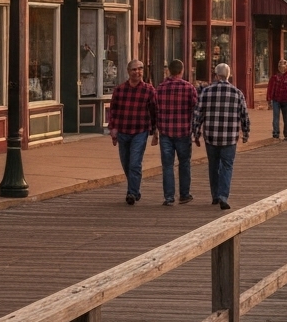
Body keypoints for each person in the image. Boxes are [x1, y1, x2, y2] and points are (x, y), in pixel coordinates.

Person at [193, 63, 250, 210]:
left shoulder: (206, 92)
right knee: (227, 166)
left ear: (216, 75)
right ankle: (224, 195)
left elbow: (198, 114)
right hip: (230, 136)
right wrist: (246, 132)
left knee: (213, 165)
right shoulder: (237, 93)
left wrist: (196, 132)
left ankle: (215, 195)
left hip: (211, 136)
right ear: (228, 75)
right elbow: (244, 115)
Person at [107, 60, 155, 205]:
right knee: (126, 162)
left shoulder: (149, 90)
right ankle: (135, 188)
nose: (138, 72)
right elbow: (113, 111)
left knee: (135, 163)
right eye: (134, 69)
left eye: (140, 69)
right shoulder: (120, 90)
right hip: (123, 130)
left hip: (140, 131)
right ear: (128, 71)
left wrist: (156, 131)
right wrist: (113, 128)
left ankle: (132, 193)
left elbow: (154, 112)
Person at [155, 59, 198, 206]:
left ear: (169, 71)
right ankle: (184, 194)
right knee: (184, 163)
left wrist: (156, 130)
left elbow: (155, 110)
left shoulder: (160, 88)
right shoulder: (189, 88)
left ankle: (169, 197)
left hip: (165, 132)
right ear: (182, 71)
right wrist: (196, 129)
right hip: (183, 131)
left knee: (167, 165)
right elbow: (195, 108)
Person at [266, 59, 287, 142]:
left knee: (286, 118)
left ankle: (286, 134)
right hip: (276, 100)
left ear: (286, 67)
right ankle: (276, 134)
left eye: (283, 66)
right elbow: (270, 88)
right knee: (276, 117)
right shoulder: (274, 77)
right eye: (279, 66)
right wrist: (269, 99)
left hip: (286, 100)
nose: (281, 68)